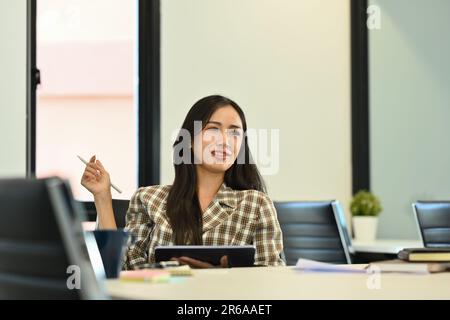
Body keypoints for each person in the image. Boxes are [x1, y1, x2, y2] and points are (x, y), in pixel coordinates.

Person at [81, 95, 285, 269]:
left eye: (234, 132)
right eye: (213, 129)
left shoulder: (256, 204)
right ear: (188, 141)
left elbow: (270, 279)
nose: (224, 140)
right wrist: (102, 196)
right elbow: (123, 270)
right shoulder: (149, 199)